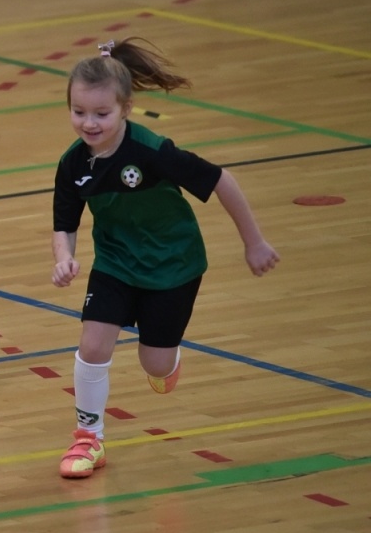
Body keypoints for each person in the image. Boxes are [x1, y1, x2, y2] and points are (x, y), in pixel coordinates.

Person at [52, 39, 279, 478]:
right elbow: (65, 220)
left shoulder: (152, 151)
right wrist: (63, 257)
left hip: (172, 266)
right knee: (93, 344)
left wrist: (254, 243)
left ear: (126, 109)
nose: (90, 123)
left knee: (154, 363)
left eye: (102, 114)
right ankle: (88, 438)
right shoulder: (72, 163)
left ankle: (168, 362)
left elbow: (222, 182)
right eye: (79, 112)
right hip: (115, 263)